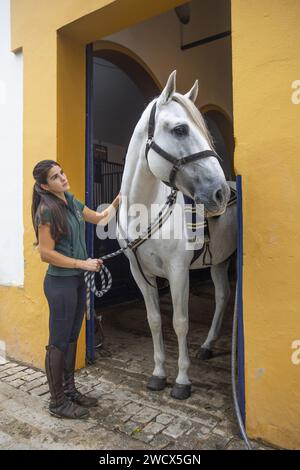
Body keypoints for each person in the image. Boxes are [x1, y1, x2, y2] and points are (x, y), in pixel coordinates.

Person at [31, 159, 121, 419]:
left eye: (62, 172)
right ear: (45, 186)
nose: (62, 177)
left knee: (72, 337)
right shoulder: (46, 211)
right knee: (58, 341)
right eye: (55, 176)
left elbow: (101, 219)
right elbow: (45, 254)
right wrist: (83, 263)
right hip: (60, 283)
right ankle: (57, 403)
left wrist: (119, 198)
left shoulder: (70, 201)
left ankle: (69, 391)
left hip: (78, 280)